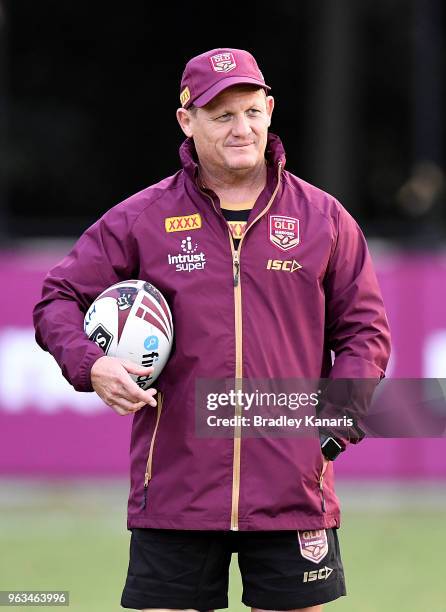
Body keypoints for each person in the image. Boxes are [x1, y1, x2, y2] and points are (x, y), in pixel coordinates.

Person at [33, 47, 391, 612]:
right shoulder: (142, 218)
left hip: (291, 492)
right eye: (221, 115)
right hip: (175, 491)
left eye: (250, 110)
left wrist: (332, 426)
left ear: (270, 110)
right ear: (187, 121)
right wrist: (93, 363)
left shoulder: (324, 219)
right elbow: (58, 297)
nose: (240, 128)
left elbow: (364, 331)